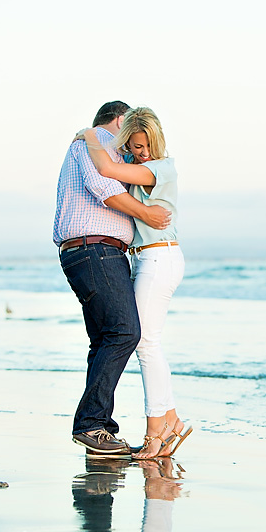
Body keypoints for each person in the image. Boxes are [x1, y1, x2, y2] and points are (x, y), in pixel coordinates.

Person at [53, 101, 172, 456]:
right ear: (120, 121)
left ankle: (99, 430)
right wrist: (146, 213)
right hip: (95, 250)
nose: (130, 148)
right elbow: (103, 185)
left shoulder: (96, 143)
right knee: (125, 332)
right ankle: (91, 424)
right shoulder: (99, 140)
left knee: (105, 339)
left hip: (94, 251)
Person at [78, 106, 192, 460]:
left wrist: (89, 134)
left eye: (145, 145)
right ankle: (168, 419)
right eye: (135, 146)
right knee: (146, 341)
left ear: (157, 140)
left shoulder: (162, 167)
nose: (141, 153)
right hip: (145, 256)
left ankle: (158, 427)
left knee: (145, 342)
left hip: (160, 257)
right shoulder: (138, 163)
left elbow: (107, 169)